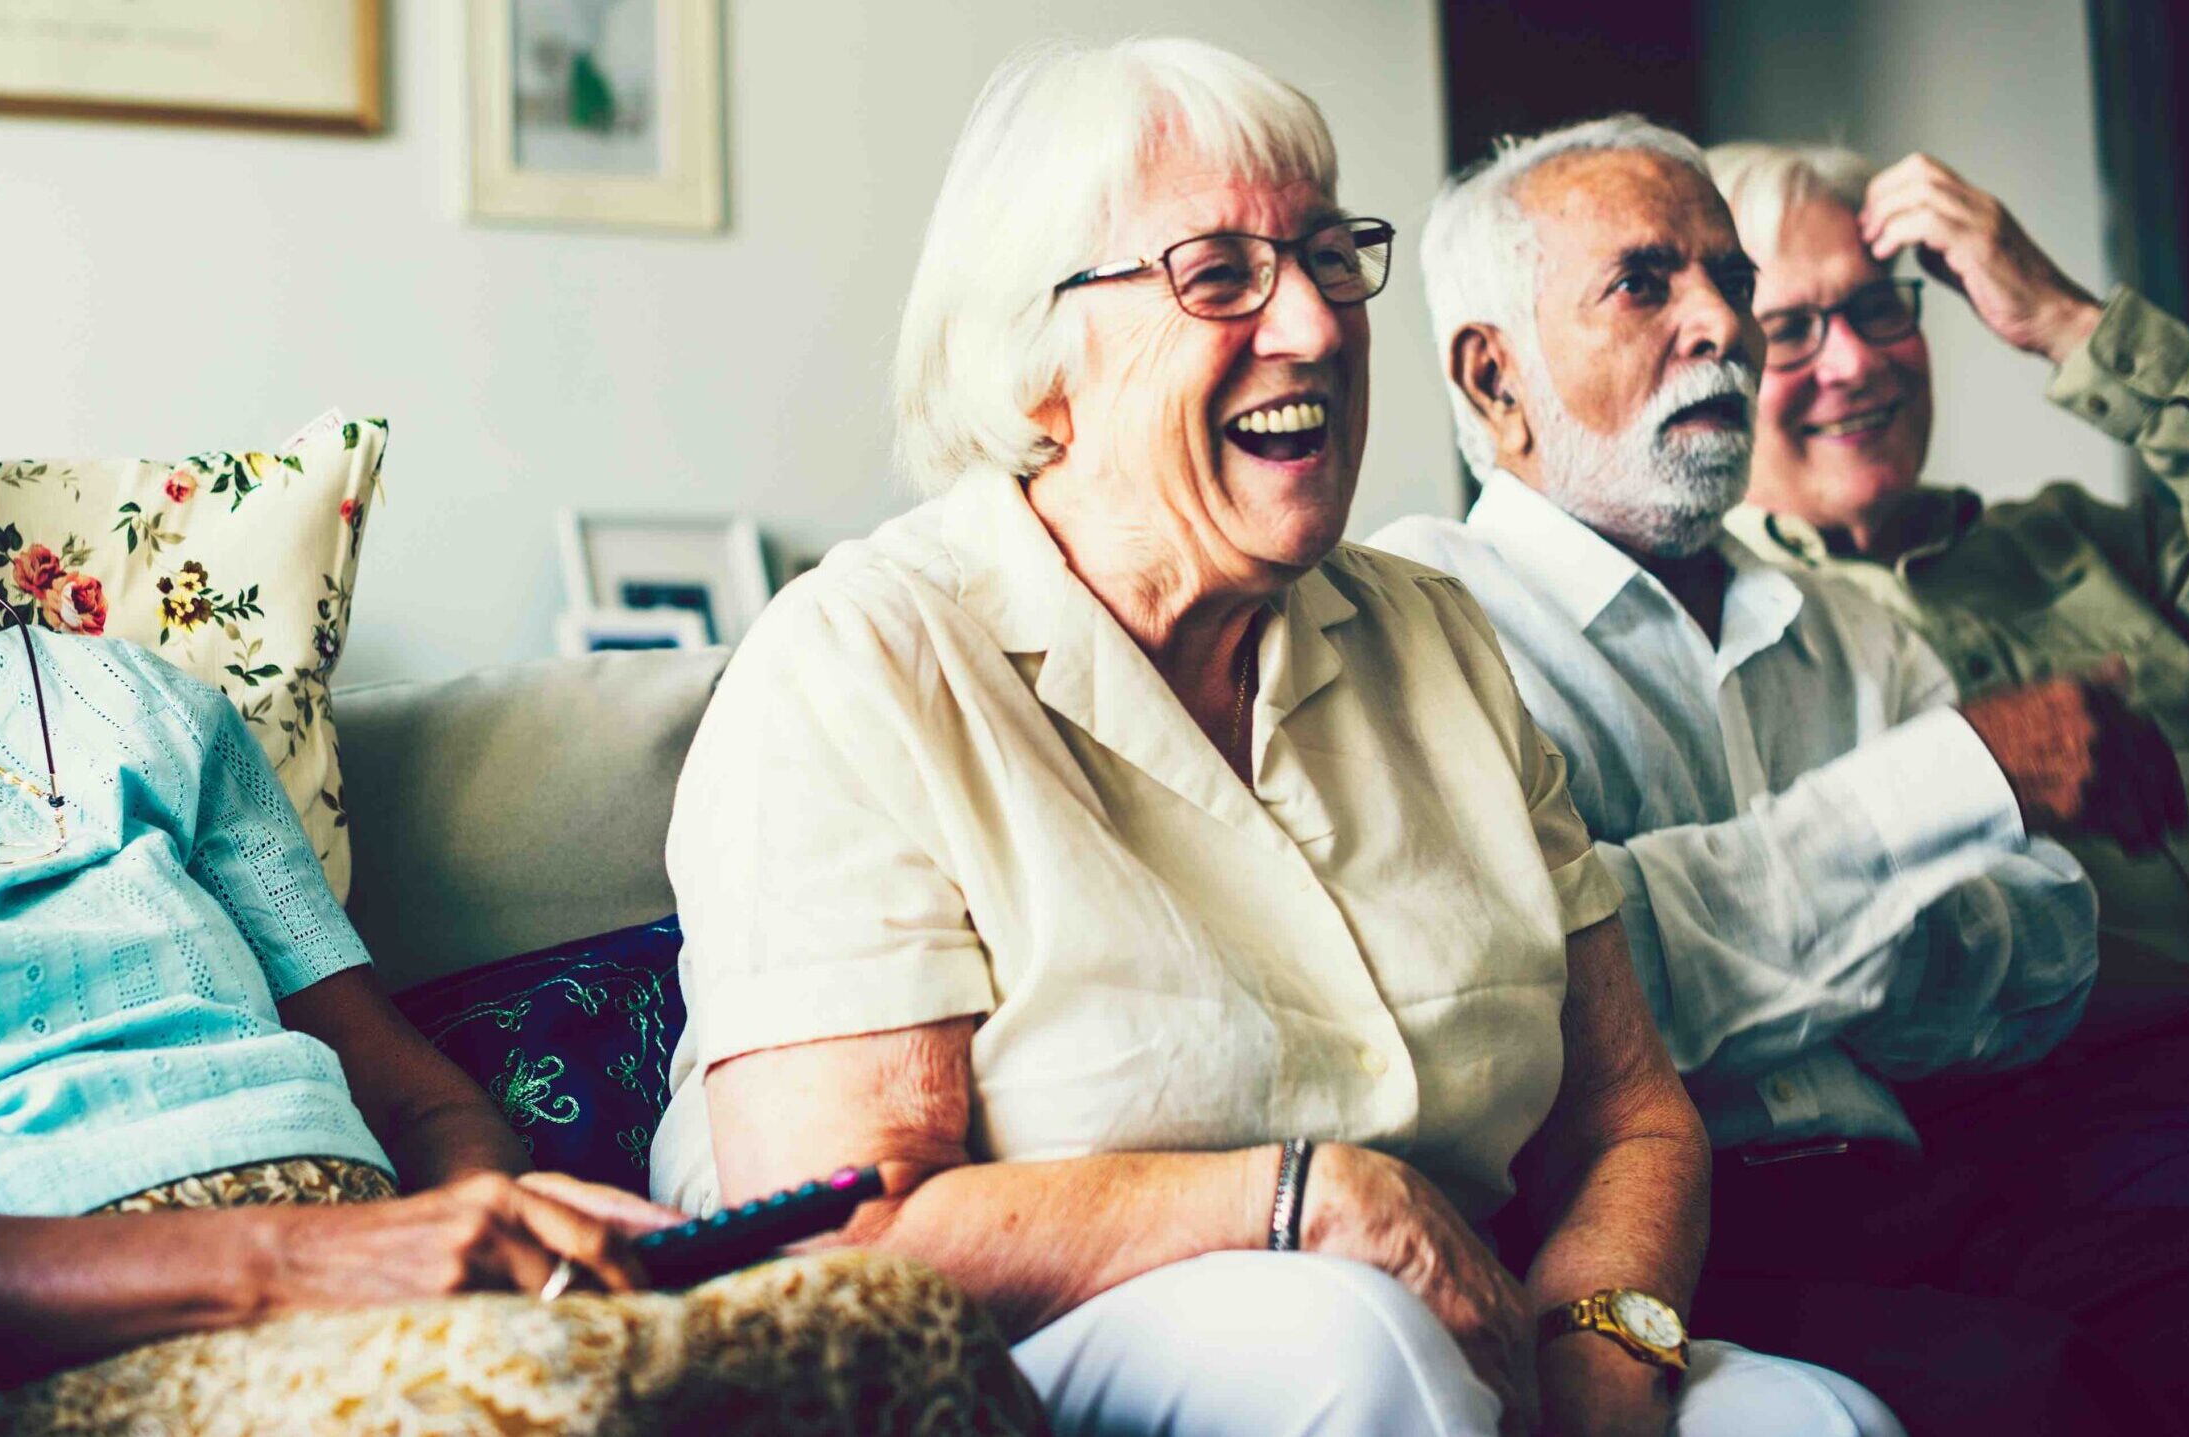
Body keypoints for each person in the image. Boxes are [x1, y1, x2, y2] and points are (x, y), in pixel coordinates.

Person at [650, 39, 1898, 1437]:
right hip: (1047, 1362)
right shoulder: (859, 663)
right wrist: (1302, 1199)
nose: (1313, 323)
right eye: (1223, 275)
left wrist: (1606, 1343)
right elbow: (840, 1236)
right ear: (1039, 358)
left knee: (1817, 1419)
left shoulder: (1434, 636)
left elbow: (1631, 1118)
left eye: (1325, 256)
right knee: (1347, 1343)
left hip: (1470, 1326)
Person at [0, 250, 1043, 1437]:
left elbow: (413, 1092)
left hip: (383, 1266)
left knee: (895, 1314)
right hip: (51, 1351)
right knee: (530, 1403)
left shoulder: (119, 701)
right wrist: (299, 1261)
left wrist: (493, 1222)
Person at [1369, 116, 2189, 1435]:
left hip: (1927, 1178)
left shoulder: (1846, 624)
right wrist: (1945, 792)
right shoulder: (1421, 621)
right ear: (1494, 377)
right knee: (2040, 1393)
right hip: (1670, 1246)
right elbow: (1560, 998)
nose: (1722, 325)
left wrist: (1763, 928)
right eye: (1647, 283)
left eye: (1730, 280)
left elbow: (2044, 957)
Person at [1707, 141, 2189, 1003]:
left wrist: (2067, 322)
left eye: (1876, 308)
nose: (1855, 363)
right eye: (1789, 331)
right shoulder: (1722, 639)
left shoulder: (2082, 537)